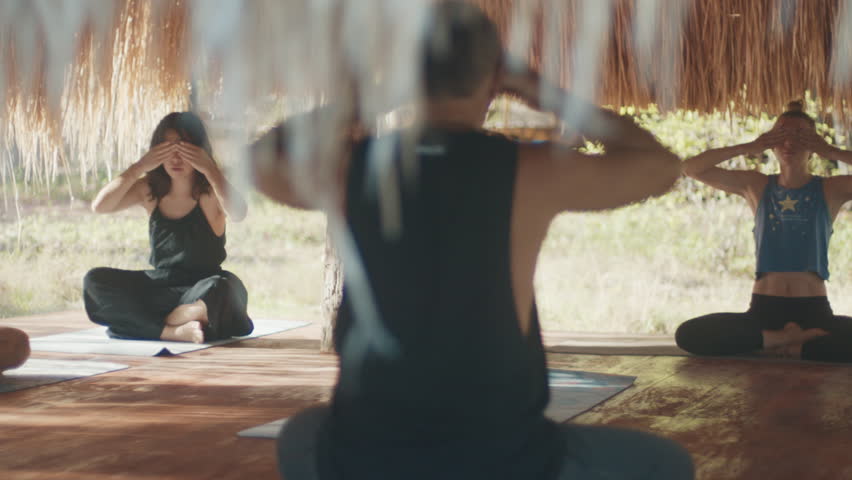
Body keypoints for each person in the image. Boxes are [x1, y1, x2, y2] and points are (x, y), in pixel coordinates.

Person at [251, 2, 693, 479]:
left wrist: (371, 96)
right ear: (494, 78)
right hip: (502, 460)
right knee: (664, 463)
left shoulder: (352, 168)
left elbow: (260, 161)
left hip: (368, 458)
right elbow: (660, 166)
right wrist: (541, 91)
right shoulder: (531, 170)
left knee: (303, 433)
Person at [676, 101, 852, 362]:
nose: (790, 142)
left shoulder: (830, 189)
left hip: (815, 310)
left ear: (813, 145)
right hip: (764, 310)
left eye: (800, 136)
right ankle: (780, 340)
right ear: (771, 142)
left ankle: (792, 347)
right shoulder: (755, 185)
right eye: (781, 135)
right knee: (688, 334)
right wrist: (748, 147)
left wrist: (832, 151)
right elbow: (690, 168)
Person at [83, 112, 253, 343]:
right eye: (167, 150)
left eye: (184, 150)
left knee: (225, 288)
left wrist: (210, 169)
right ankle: (173, 330)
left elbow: (239, 213)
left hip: (202, 287)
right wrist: (139, 166)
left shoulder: (211, 193)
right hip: (160, 287)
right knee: (95, 281)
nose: (176, 159)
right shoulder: (149, 190)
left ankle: (148, 323)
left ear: (200, 152)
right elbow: (100, 206)